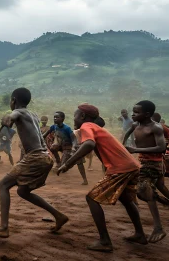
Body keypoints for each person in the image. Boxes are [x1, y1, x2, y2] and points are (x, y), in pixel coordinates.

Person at [57, 103, 147, 252]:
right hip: (131, 166)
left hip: (120, 168)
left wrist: (68, 164)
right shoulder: (97, 128)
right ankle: (140, 234)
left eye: (75, 116)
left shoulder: (87, 126)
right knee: (126, 199)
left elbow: (89, 144)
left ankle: (105, 241)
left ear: (83, 116)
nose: (74, 119)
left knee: (91, 198)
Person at [0, 88, 68, 239]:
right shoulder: (33, 114)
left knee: (3, 185)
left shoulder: (18, 112)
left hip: (35, 157)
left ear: (13, 100)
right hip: (45, 157)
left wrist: (7, 118)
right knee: (23, 191)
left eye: (10, 100)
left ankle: (3, 228)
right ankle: (59, 216)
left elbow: (12, 117)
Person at [121, 101, 167, 243]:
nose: (133, 114)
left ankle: (158, 228)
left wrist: (136, 150)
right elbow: (125, 137)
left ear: (147, 114)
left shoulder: (156, 128)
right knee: (159, 187)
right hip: (143, 161)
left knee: (144, 190)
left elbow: (161, 147)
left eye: (136, 112)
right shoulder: (135, 125)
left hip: (154, 163)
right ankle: (160, 199)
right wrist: (123, 147)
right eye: (133, 112)